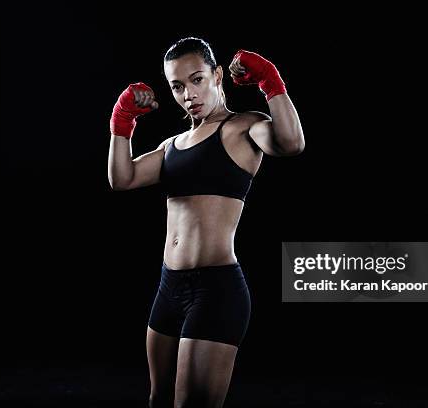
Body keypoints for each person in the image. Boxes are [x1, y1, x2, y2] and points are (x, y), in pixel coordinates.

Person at [108, 37, 304, 408]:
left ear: (217, 76)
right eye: (177, 86)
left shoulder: (243, 127)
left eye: (197, 80)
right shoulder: (172, 145)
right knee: (159, 399)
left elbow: (291, 143)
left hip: (215, 291)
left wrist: (269, 80)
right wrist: (122, 120)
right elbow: (122, 179)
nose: (188, 94)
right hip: (169, 286)